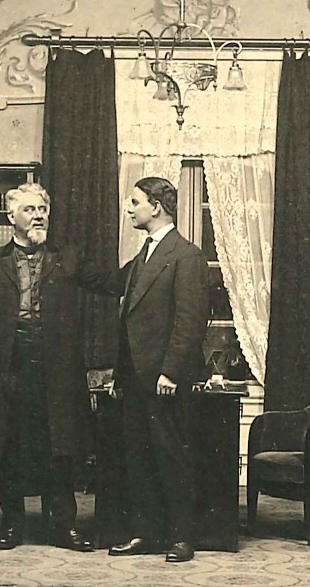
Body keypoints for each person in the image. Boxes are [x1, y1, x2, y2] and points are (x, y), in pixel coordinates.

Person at [0, 184, 94, 552]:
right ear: (11, 216)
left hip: (56, 371)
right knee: (8, 445)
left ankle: (62, 525)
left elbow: (110, 283)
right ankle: (12, 524)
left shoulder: (68, 258)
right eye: (30, 209)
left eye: (43, 209)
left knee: (60, 448)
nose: (39, 216)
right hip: (9, 368)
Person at [99, 177, 209, 564]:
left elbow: (190, 321)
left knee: (171, 458)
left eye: (135, 202)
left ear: (156, 207)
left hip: (164, 380)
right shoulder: (144, 254)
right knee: (138, 459)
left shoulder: (187, 256)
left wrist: (172, 372)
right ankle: (145, 533)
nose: (129, 209)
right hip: (135, 379)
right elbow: (118, 295)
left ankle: (181, 538)